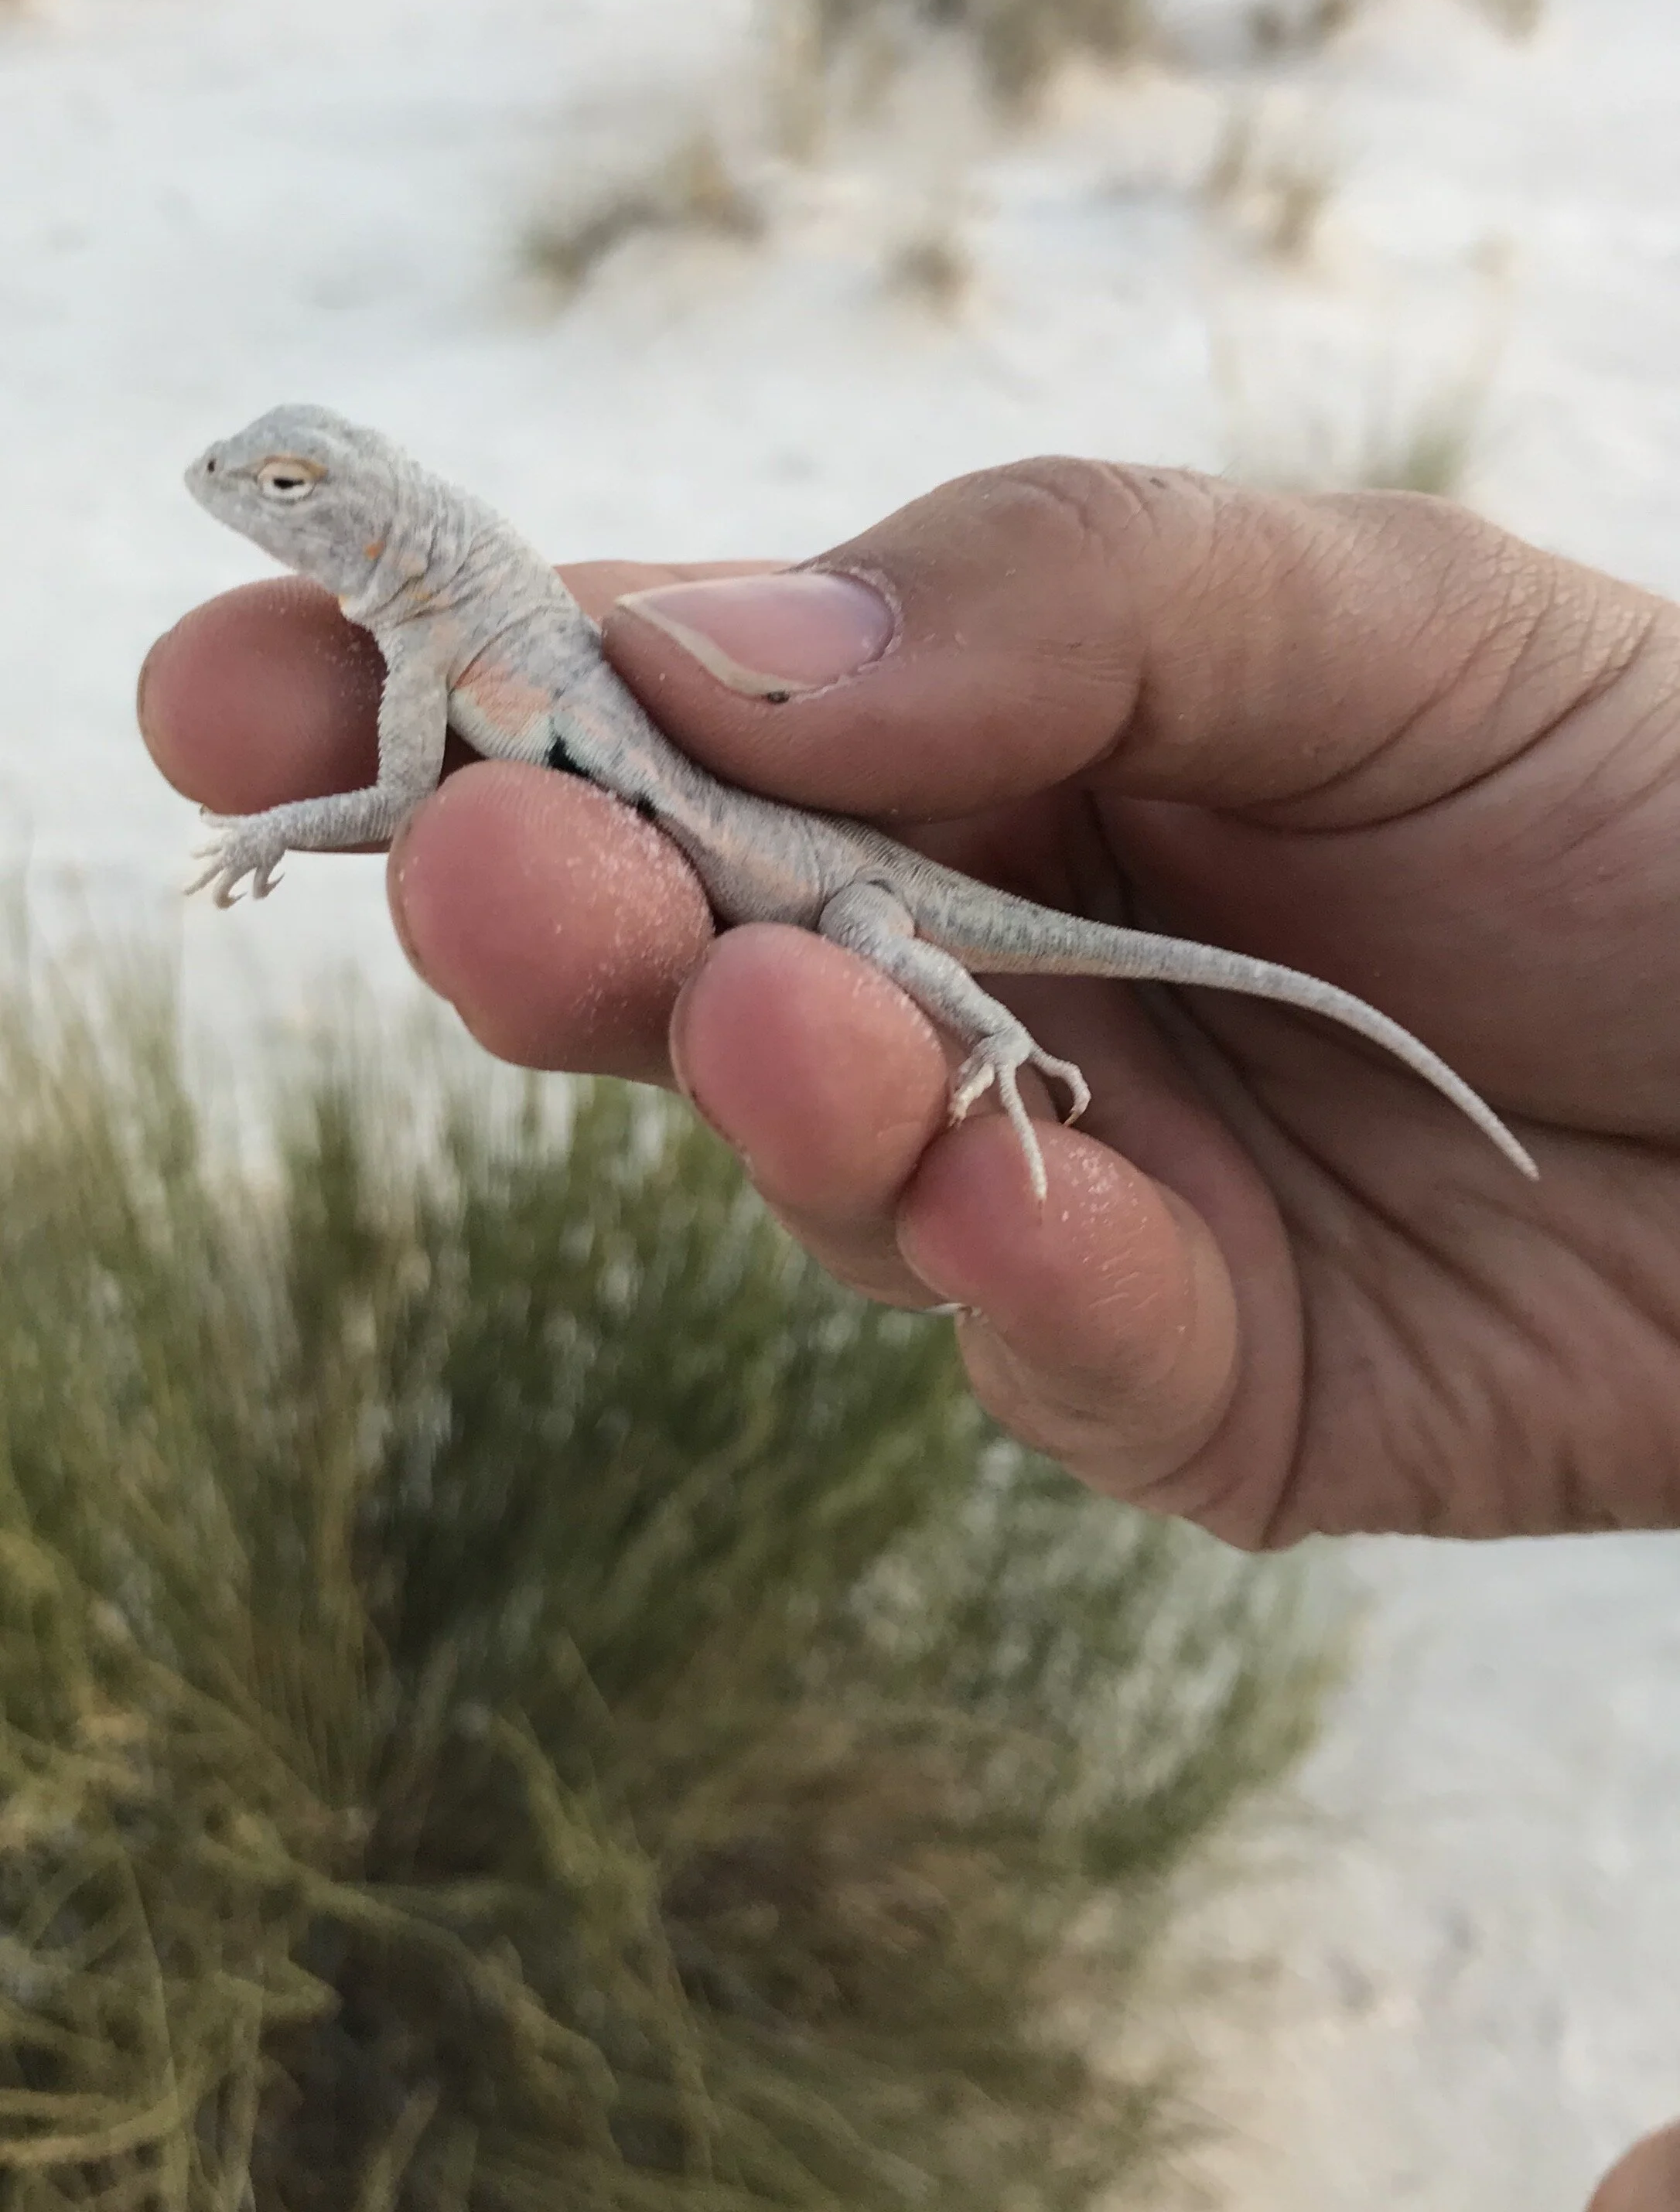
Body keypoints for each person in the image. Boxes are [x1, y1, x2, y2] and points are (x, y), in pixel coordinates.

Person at [139, 457, 1680, 2207]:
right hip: (787, 878)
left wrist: (275, 826)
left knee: (863, 963)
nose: (245, 505)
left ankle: (1003, 1045)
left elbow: (401, 802)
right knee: (795, 1023)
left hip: (832, 888)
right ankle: (991, 1041)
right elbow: (419, 788)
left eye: (280, 491)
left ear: (380, 531)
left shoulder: (471, 647)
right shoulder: (442, 639)